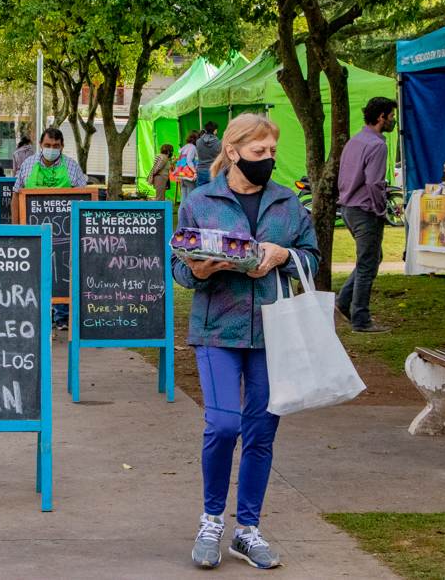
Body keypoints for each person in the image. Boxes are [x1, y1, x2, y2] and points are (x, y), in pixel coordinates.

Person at [172, 113, 319, 570]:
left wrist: (284, 255)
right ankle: (211, 519)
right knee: (223, 425)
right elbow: (178, 265)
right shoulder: (200, 201)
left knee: (261, 431)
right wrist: (196, 270)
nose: (268, 160)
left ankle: (247, 530)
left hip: (273, 332)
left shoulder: (288, 204)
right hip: (217, 329)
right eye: (260, 152)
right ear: (233, 152)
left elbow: (312, 257)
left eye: (272, 152)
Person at [12, 127, 88, 331]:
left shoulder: (72, 167)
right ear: (40, 145)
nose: (51, 149)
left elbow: (85, 197)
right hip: (32, 230)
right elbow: (16, 194)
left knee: (62, 272)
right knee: (34, 272)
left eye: (56, 146)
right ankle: (39, 315)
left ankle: (62, 317)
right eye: (48, 145)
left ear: (62, 146)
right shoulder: (28, 165)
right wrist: (15, 226)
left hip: (65, 234)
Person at [336, 96, 396, 334]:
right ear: (381, 117)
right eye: (391, 116)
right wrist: (381, 208)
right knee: (367, 265)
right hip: (364, 211)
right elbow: (374, 182)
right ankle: (360, 318)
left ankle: (343, 301)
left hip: (349, 208)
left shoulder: (356, 140)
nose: (393, 121)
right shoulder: (378, 145)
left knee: (370, 259)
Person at [195, 121, 221, 186]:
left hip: (201, 170)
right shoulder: (218, 143)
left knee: (201, 193)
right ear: (215, 131)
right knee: (213, 193)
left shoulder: (198, 141)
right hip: (213, 170)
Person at [177, 130, 199, 200]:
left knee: (184, 198)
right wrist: (195, 171)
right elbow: (189, 161)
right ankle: (190, 211)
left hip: (182, 175)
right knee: (191, 198)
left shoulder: (184, 147)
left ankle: (181, 211)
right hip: (189, 175)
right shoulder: (192, 147)